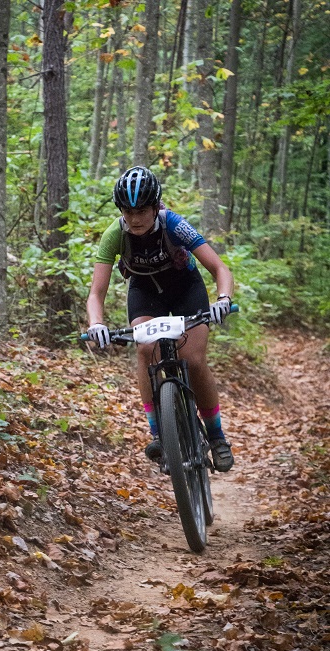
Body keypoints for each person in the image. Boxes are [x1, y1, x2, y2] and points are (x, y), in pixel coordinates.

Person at [86, 165, 234, 472]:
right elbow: (96, 292)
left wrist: (223, 299)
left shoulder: (174, 225)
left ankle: (217, 436)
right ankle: (159, 433)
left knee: (193, 360)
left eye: (142, 211)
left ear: (156, 207)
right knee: (145, 350)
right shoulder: (114, 234)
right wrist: (96, 323)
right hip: (145, 292)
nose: (135, 219)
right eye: (128, 211)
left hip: (185, 289)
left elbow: (219, 268)